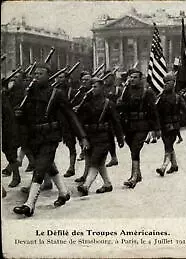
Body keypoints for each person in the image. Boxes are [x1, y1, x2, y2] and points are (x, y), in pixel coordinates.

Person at [13, 64, 89, 217]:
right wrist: (19, 113)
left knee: (40, 167)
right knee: (48, 166)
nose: (36, 76)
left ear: (49, 76)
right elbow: (25, 116)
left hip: (50, 136)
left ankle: (29, 205)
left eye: (40, 74)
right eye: (35, 74)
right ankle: (63, 192)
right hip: (34, 136)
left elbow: (70, 116)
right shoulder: (29, 93)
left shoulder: (57, 93)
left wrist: (82, 137)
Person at [76, 77, 124, 196]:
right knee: (99, 162)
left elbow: (116, 122)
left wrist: (120, 138)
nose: (92, 89)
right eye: (91, 87)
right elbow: (80, 122)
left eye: (95, 87)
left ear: (102, 88)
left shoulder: (108, 104)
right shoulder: (87, 104)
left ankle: (86, 186)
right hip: (90, 136)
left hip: (103, 137)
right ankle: (107, 184)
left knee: (94, 161)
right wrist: (82, 138)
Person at [117, 69, 160, 188]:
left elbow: (153, 111)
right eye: (130, 77)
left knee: (136, 148)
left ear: (141, 79)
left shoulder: (147, 92)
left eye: (135, 77)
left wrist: (155, 128)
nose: (132, 79)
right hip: (129, 125)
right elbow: (121, 107)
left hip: (142, 124)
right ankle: (138, 174)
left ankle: (134, 177)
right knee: (132, 148)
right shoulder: (126, 91)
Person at [156, 72, 186, 176]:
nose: (166, 85)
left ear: (173, 84)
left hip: (174, 126)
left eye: (169, 83)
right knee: (168, 145)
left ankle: (163, 166)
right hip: (163, 125)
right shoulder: (161, 97)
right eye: (165, 83)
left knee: (168, 145)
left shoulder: (177, 98)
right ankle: (174, 165)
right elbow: (156, 112)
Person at [103, 72, 119, 168]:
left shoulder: (117, 89)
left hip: (115, 116)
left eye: (109, 77)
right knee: (108, 137)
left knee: (110, 137)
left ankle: (113, 157)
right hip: (104, 115)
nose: (107, 79)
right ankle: (113, 157)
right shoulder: (102, 89)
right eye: (106, 77)